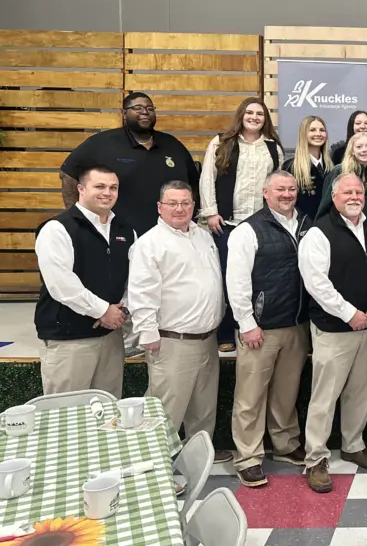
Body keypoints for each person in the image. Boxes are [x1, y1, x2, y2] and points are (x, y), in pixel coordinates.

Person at [299, 173, 367, 493]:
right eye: (347, 192)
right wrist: (349, 314)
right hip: (334, 329)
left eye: (358, 192)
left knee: (360, 391)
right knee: (324, 397)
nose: (354, 197)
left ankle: (353, 445)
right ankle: (315, 458)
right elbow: (316, 282)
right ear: (334, 196)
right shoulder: (319, 232)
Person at [126, 180, 229, 461]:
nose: (180, 208)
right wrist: (148, 332)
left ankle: (198, 457)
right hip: (172, 341)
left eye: (185, 203)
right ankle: (156, 463)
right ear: (160, 207)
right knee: (167, 409)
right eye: (173, 203)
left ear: (193, 206)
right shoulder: (149, 244)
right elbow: (141, 292)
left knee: (203, 407)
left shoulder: (203, 236)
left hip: (207, 338)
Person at [225, 171, 312, 487]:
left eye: (291, 189)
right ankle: (248, 457)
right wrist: (247, 323)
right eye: (280, 189)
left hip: (296, 324)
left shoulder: (306, 224)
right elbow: (236, 281)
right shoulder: (248, 230)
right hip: (260, 328)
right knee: (250, 396)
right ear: (265, 192)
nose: (287, 194)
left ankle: (286, 444)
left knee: (286, 392)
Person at [34, 166, 134, 397]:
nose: (107, 193)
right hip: (69, 340)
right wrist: (102, 310)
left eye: (113, 187)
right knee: (66, 412)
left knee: (109, 408)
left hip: (111, 337)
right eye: (99, 186)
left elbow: (135, 278)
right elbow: (61, 285)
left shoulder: (126, 230)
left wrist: (122, 309)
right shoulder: (57, 229)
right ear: (80, 189)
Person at [199, 97, 283, 352]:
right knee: (228, 278)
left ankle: (250, 327)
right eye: (249, 113)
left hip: (259, 226)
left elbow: (276, 185)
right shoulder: (221, 142)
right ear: (241, 115)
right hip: (227, 223)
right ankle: (226, 332)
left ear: (265, 119)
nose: (254, 117)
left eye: (260, 114)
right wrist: (211, 212)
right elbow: (207, 178)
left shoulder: (273, 148)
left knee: (256, 277)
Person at [60, 92, 198, 234]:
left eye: (150, 108)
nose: (145, 112)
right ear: (124, 114)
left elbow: (193, 184)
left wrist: (190, 219)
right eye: (138, 108)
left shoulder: (173, 145)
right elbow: (68, 175)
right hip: (117, 235)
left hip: (170, 235)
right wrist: (78, 218)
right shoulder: (102, 143)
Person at [318, 131, 367, 220]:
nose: (364, 150)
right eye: (359, 147)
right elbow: (325, 206)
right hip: (341, 225)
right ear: (352, 150)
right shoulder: (339, 171)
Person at [283, 115, 333, 220]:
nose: (318, 134)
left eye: (322, 130)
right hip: (302, 225)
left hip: (328, 225)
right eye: (312, 130)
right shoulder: (290, 167)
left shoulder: (332, 167)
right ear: (303, 134)